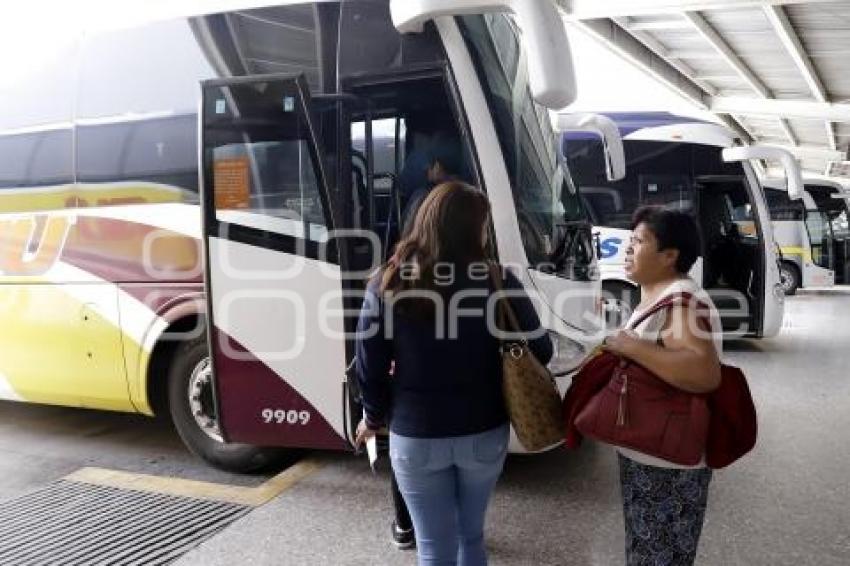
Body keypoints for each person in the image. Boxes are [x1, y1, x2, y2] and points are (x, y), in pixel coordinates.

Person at [354, 182, 552, 566]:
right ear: (474, 229)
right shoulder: (498, 280)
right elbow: (541, 350)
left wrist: (372, 417)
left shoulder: (388, 282)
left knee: (432, 547)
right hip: (484, 431)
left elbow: (368, 364)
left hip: (415, 435)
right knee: (470, 536)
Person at [602, 205, 723, 566]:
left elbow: (703, 372)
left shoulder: (683, 302)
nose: (628, 249)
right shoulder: (659, 295)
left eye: (638, 242)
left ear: (670, 256)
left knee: (659, 556)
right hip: (651, 450)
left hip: (667, 464)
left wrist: (632, 345)